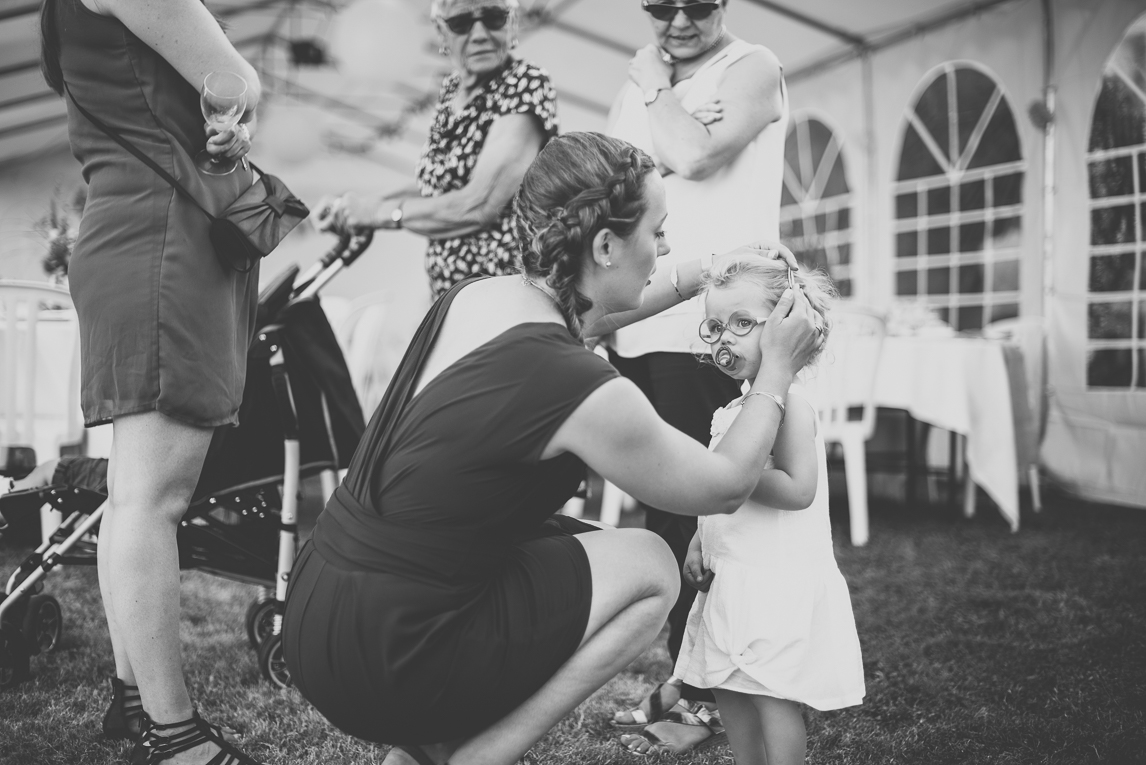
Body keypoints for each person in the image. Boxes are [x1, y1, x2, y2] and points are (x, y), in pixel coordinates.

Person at [281, 132, 822, 765]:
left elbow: (590, 315)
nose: (667, 247)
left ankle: (420, 752)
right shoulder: (580, 386)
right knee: (650, 563)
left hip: (316, 609)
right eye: (659, 230)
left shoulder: (479, 297)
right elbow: (725, 483)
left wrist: (708, 271)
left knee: (573, 538)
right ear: (604, 244)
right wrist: (777, 371)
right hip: (391, 650)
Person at [40, 0, 265, 762]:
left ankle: (135, 703)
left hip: (130, 233)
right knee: (151, 500)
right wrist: (242, 98)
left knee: (131, 495)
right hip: (162, 240)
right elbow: (230, 83)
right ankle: (177, 735)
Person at [605, 0, 790, 750]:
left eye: (699, 2)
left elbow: (696, 158)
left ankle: (711, 693)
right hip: (643, 317)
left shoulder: (750, 67)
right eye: (659, 4)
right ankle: (690, 681)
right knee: (667, 514)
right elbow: (624, 183)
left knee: (710, 517)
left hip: (712, 324)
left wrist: (656, 89)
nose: (678, 18)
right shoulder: (640, 82)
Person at [622, 258, 866, 761]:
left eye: (741, 323)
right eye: (715, 326)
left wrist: (734, 470)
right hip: (730, 580)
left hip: (771, 584)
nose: (723, 338)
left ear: (785, 325)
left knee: (770, 697)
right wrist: (698, 537)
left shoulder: (790, 407)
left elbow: (799, 489)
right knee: (728, 689)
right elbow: (719, 502)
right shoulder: (733, 410)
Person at [319, 0, 557, 298]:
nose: (480, 33)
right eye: (461, 23)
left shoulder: (525, 83)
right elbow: (437, 191)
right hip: (453, 297)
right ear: (442, 33)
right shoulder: (451, 91)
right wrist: (355, 207)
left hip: (503, 298)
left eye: (494, 17)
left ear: (512, 23)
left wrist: (379, 212)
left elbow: (479, 204)